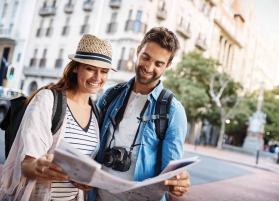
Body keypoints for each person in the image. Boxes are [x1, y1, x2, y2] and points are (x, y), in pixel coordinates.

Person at [0, 34, 116, 200]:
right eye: (91, 68)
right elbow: (26, 166)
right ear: (76, 67)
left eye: (104, 71)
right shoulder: (47, 100)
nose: (98, 77)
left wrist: (85, 181)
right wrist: (39, 167)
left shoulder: (96, 113)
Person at [88, 27, 190, 201]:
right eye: (146, 57)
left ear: (168, 65)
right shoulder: (110, 95)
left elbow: (170, 175)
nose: (149, 67)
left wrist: (178, 184)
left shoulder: (173, 111)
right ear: (138, 51)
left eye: (159, 64)